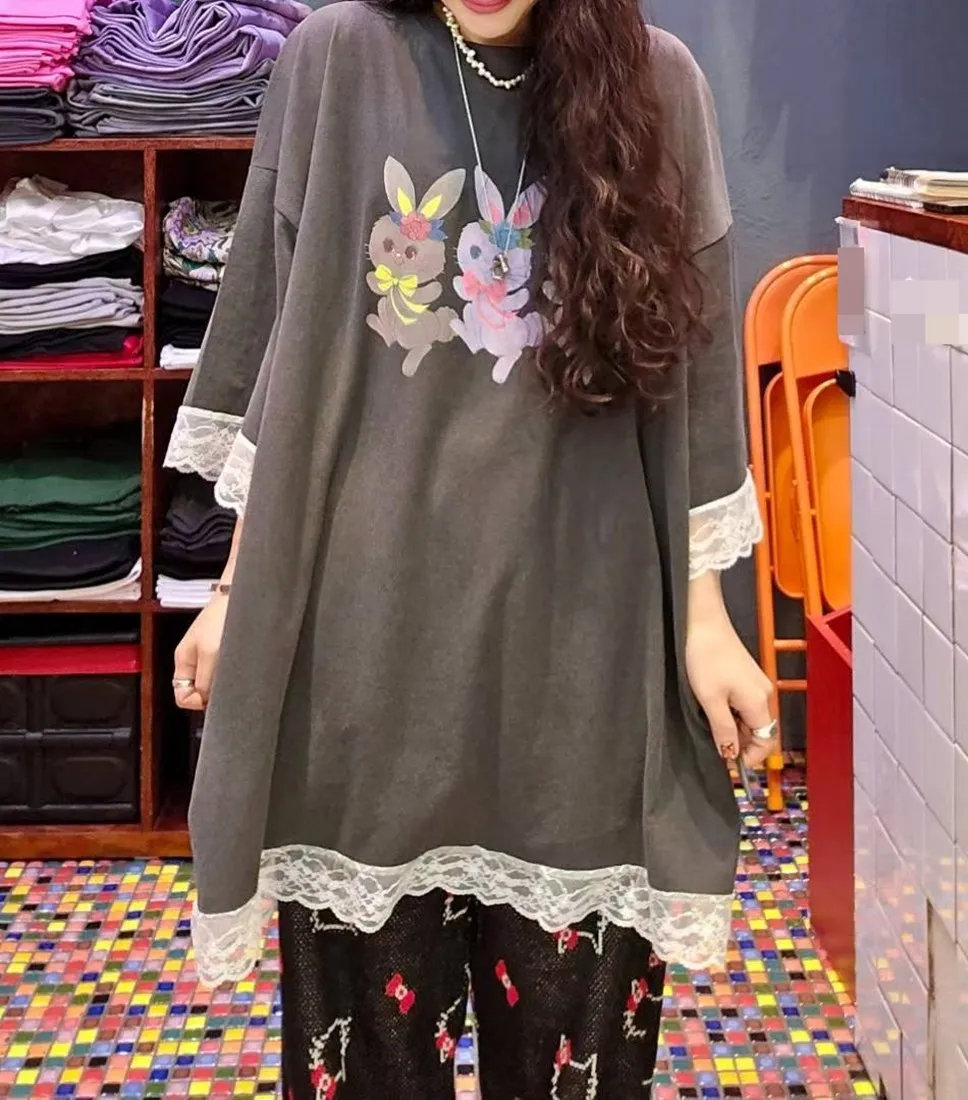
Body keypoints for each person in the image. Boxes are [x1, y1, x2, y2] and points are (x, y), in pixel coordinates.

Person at [164, 0, 776, 1096]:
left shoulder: (658, 84)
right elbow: (284, 346)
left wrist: (704, 618)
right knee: (370, 1068)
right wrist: (234, 588)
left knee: (573, 1068)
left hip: (583, 673)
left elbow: (691, 381)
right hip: (369, 668)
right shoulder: (336, 61)